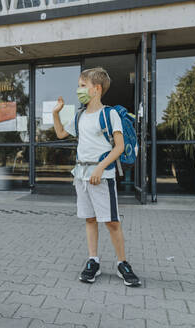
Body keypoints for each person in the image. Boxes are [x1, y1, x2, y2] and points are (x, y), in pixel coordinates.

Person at [52, 67, 141, 286]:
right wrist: (56, 113)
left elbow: (119, 147)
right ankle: (93, 261)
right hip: (81, 176)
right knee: (90, 220)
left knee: (111, 222)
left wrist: (100, 168)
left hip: (102, 176)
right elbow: (61, 134)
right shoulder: (80, 115)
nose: (79, 90)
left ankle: (123, 264)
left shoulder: (108, 114)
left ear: (96, 89)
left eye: (83, 86)